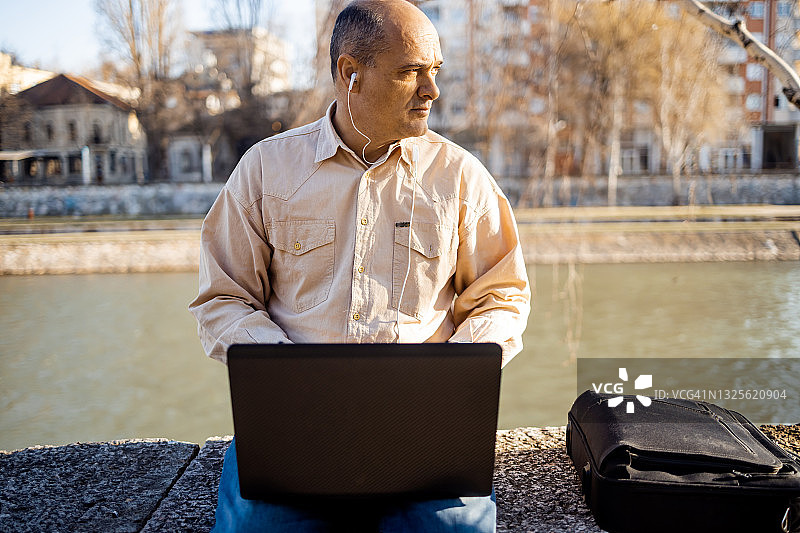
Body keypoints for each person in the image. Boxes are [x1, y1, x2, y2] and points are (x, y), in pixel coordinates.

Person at [189, 0, 531, 531]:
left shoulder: (462, 176)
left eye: (435, 71)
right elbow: (224, 298)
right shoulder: (265, 169)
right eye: (411, 72)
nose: (432, 91)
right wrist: (290, 378)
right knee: (260, 527)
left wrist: (449, 378)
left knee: (455, 529)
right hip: (294, 422)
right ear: (350, 73)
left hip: (424, 423)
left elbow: (501, 296)